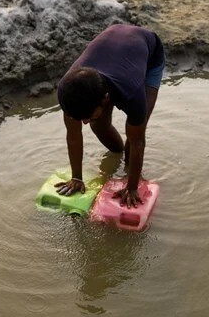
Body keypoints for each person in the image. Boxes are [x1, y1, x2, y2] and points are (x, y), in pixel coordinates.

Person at [54, 24, 164, 208]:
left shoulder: (132, 94)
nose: (84, 122)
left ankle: (128, 166)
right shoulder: (68, 90)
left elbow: (138, 142)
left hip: (149, 54)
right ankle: (117, 155)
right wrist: (76, 177)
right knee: (98, 126)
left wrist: (132, 186)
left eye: (87, 117)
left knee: (135, 133)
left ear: (105, 99)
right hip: (114, 52)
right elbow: (73, 136)